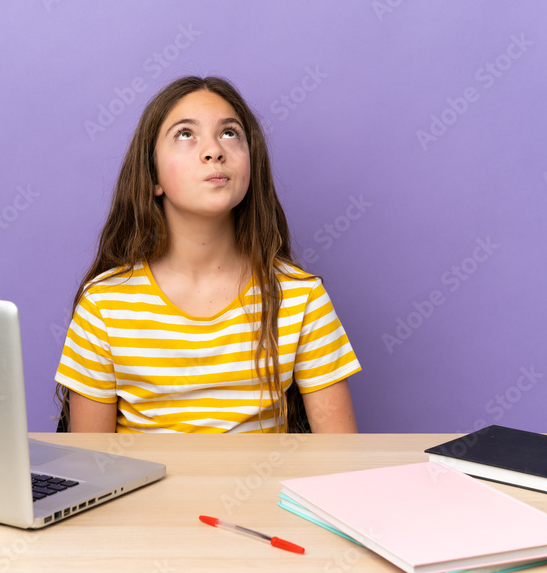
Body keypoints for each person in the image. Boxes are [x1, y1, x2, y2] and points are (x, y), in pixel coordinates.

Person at [54, 76, 360, 433]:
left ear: (251, 167)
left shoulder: (301, 297)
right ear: (153, 177)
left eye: (229, 133)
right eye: (185, 134)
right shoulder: (104, 305)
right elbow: (91, 462)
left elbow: (338, 456)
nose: (214, 150)